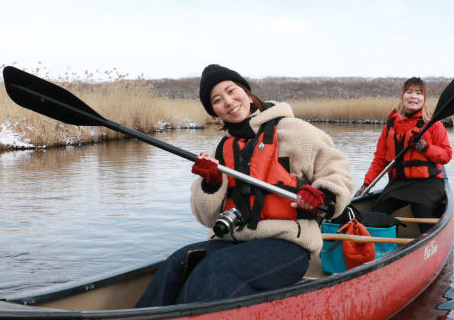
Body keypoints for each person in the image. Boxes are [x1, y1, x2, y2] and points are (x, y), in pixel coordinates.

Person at [136, 64, 354, 307]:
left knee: (217, 270)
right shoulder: (220, 150)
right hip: (233, 241)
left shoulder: (296, 131)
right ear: (214, 111)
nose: (228, 102)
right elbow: (207, 218)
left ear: (248, 93)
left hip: (288, 245)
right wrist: (211, 183)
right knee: (177, 263)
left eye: (232, 91)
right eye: (217, 100)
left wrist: (323, 195)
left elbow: (339, 172)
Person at [354, 77, 452, 233]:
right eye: (409, 92)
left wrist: (425, 147)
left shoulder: (433, 124)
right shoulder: (391, 126)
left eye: (419, 93)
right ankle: (379, 246)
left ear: (424, 99)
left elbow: (446, 155)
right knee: (377, 213)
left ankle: (426, 247)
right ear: (402, 96)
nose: (414, 96)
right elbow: (379, 160)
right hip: (399, 184)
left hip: (428, 183)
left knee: (422, 211)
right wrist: (366, 185)